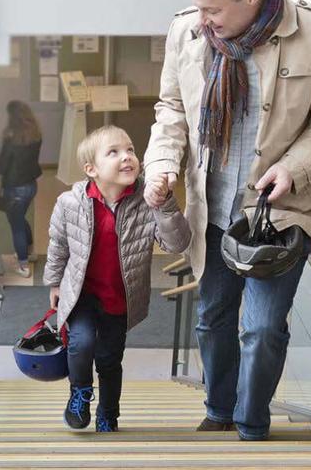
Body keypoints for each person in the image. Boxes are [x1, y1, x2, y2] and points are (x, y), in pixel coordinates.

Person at [143, 0, 311, 440]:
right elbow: (171, 107)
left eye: (213, 9)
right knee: (213, 317)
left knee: (261, 328)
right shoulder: (187, 31)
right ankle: (218, 409)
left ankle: (251, 423)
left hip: (279, 214)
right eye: (198, 6)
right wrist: (161, 165)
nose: (202, 19)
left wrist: (293, 166)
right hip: (212, 211)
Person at [44, 125, 191, 432]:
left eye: (130, 150)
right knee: (81, 344)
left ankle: (108, 414)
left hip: (120, 297)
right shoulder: (69, 203)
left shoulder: (145, 200)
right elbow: (58, 245)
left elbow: (177, 244)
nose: (127, 157)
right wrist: (55, 283)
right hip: (82, 294)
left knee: (109, 360)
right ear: (91, 169)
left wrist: (164, 204)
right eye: (114, 152)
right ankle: (80, 392)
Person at [0, 100, 43, 277]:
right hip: (31, 186)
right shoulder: (36, 134)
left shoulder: (11, 139)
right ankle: (28, 251)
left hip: (14, 189)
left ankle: (23, 265)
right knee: (20, 219)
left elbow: (1, 167)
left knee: (16, 226)